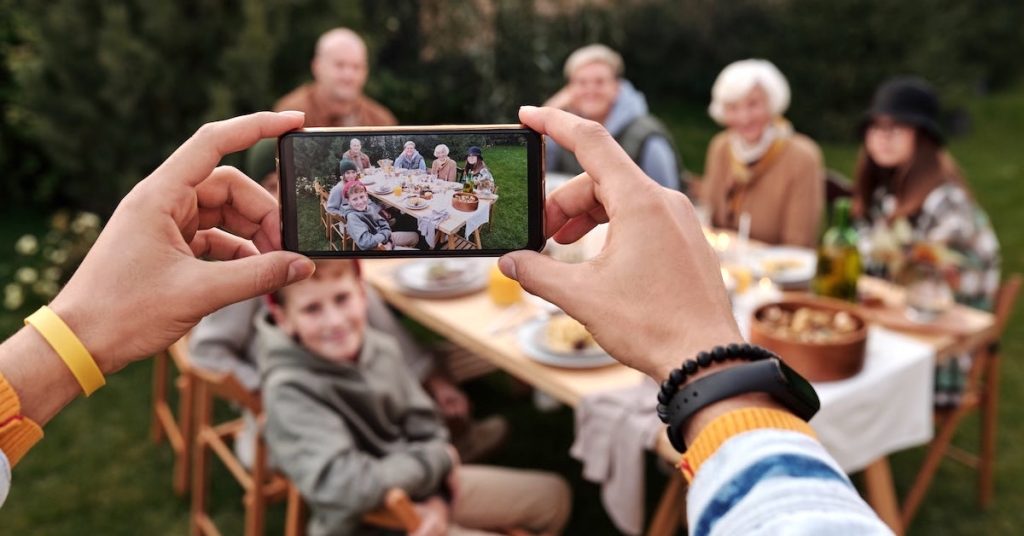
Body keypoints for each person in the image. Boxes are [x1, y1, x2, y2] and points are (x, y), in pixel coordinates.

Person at [0, 108, 890, 535]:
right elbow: (342, 476)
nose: (342, 312)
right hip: (395, 497)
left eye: (345, 296)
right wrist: (432, 463)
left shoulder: (370, 319)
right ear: (283, 296)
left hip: (418, 449)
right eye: (321, 299)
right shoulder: (294, 371)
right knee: (545, 495)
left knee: (470, 406)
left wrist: (63, 343)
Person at [191, 141, 507, 466]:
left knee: (427, 355)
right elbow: (206, 351)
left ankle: (444, 430)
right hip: (306, 411)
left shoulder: (316, 252)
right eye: (272, 187)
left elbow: (376, 318)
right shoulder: (247, 262)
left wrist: (430, 377)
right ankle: (439, 463)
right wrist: (267, 392)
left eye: (288, 184)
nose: (281, 198)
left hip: (351, 371)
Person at [258, 260, 572, 535]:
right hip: (369, 524)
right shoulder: (289, 389)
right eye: (312, 309)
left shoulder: (380, 349)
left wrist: (438, 500)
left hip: (426, 491)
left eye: (342, 299)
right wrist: (436, 463)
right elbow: (344, 486)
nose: (335, 321)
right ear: (283, 318)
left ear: (362, 294)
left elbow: (428, 426)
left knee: (554, 498)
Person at [853, 77, 1000, 407]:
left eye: (897, 128)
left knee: (839, 368)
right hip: (897, 323)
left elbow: (934, 291)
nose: (882, 137)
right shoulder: (885, 191)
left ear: (924, 138)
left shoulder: (946, 203)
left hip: (941, 347)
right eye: (875, 127)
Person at [700, 59, 825, 248]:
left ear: (771, 103)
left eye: (753, 104)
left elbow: (798, 244)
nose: (744, 117)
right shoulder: (720, 147)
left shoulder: (802, 157)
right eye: (733, 107)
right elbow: (707, 217)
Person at [543, 44, 682, 190]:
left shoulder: (648, 139)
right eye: (581, 82)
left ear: (617, 86)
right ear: (569, 89)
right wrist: (551, 109)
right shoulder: (559, 136)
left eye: (600, 82)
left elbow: (669, 200)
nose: (590, 90)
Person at [274, 28, 397, 127]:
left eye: (356, 67)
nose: (349, 76)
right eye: (340, 65)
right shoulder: (291, 114)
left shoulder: (381, 121)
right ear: (317, 67)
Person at [342, 181, 420, 250]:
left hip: (384, 237)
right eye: (355, 199)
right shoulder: (353, 217)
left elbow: (383, 222)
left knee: (415, 237)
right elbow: (366, 242)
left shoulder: (368, 207)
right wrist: (386, 237)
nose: (360, 202)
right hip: (378, 247)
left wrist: (386, 237)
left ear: (366, 195)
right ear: (348, 201)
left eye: (362, 197)